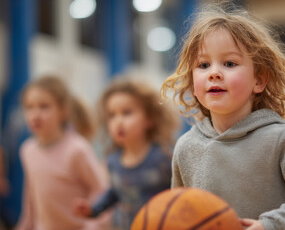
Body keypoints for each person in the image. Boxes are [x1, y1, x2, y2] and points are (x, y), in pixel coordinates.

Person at [160, 1, 285, 230]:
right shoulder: (185, 147)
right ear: (193, 84)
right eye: (203, 65)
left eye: (229, 63)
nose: (214, 73)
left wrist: (270, 225)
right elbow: (180, 212)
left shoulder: (282, 138)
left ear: (259, 80)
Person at [73, 77, 180, 230]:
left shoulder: (163, 158)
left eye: (127, 113)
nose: (119, 121)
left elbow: (180, 194)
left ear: (149, 119)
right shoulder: (113, 161)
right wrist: (93, 210)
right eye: (112, 115)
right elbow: (115, 192)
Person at [16, 75, 109, 230]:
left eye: (44, 106)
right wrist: (25, 225)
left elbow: (101, 190)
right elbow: (31, 197)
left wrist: (93, 225)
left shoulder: (77, 149)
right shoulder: (27, 150)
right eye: (29, 107)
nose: (35, 114)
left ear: (63, 111)